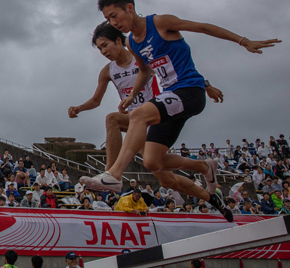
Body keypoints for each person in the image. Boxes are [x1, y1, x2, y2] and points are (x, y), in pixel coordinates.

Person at [85, 0, 278, 220]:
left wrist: (243, 41)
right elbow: (146, 71)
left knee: (138, 116)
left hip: (188, 92)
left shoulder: (160, 23)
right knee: (153, 161)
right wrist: (131, 95)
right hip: (168, 100)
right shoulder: (134, 44)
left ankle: (114, 175)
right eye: (107, 19)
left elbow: (203, 27)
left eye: (114, 16)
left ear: (130, 8)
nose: (113, 22)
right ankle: (205, 167)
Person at [69, 21, 223, 170]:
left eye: (105, 46)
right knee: (162, 176)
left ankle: (110, 172)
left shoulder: (142, 60)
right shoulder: (108, 71)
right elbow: (96, 100)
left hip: (155, 115)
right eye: (100, 49)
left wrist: (206, 85)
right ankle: (110, 171)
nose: (103, 52)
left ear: (117, 40)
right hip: (135, 120)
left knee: (163, 175)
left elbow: (176, 72)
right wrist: (79, 108)